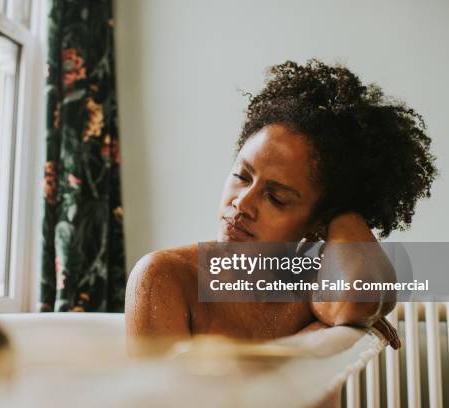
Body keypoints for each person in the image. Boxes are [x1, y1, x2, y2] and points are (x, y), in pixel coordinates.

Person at [125, 59, 437, 353]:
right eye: (241, 176)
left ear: (318, 221)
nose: (242, 203)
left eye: (276, 198)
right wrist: (303, 348)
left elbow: (358, 298)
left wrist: (343, 210)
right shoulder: (165, 277)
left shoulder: (315, 283)